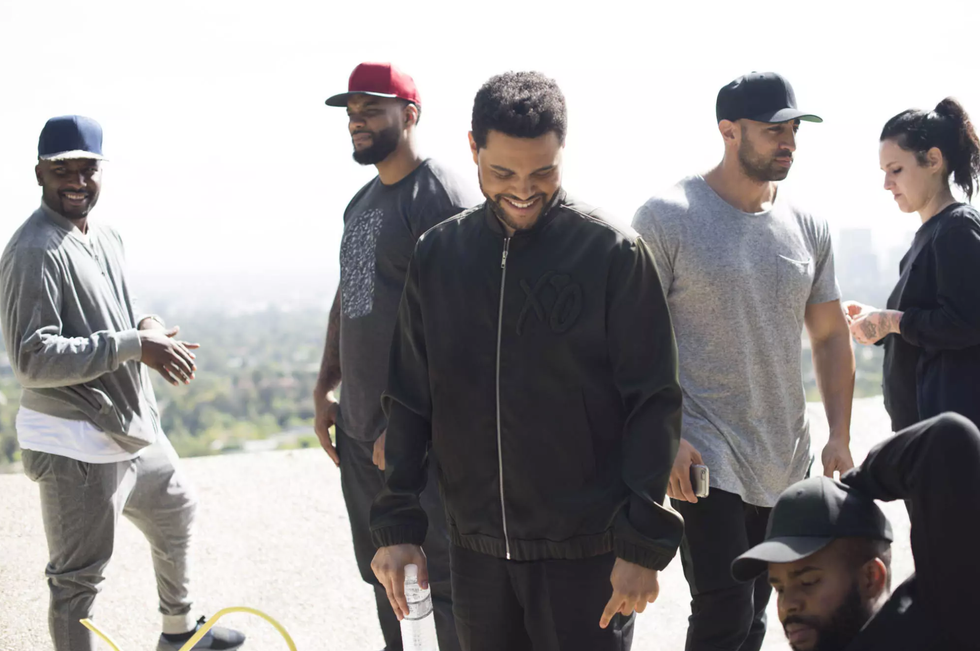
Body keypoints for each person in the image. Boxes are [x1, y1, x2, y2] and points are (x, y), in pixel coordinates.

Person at [369, 70, 683, 651]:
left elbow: (653, 404)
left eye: (543, 172)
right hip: (476, 553)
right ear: (473, 148)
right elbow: (410, 398)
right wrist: (397, 524)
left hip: (588, 555)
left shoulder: (613, 254)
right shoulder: (438, 255)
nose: (522, 190)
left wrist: (642, 544)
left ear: (563, 150)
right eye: (502, 172)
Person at [0, 116, 245, 651]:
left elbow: (123, 305)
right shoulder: (33, 251)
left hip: (129, 427)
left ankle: (179, 634)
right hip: (74, 441)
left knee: (175, 507)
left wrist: (148, 327)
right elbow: (32, 358)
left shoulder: (106, 235)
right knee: (77, 582)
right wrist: (134, 346)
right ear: (39, 173)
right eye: (62, 169)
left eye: (87, 168)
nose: (76, 181)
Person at [631, 72, 856, 651]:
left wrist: (839, 433)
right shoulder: (666, 217)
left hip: (785, 455)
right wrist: (668, 435)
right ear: (729, 131)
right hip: (706, 453)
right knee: (724, 608)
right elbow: (629, 341)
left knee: (757, 611)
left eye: (794, 129)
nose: (789, 142)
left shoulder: (807, 225)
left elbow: (830, 335)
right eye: (774, 130)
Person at [314, 62, 477, 651]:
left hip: (416, 438)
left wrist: (416, 424)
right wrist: (326, 385)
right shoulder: (360, 204)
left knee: (441, 581)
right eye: (351, 113)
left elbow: (465, 323)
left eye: (371, 110)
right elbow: (350, 295)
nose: (356, 121)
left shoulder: (441, 195)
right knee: (386, 574)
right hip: (361, 432)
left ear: (409, 115)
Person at [732, 412, 980, 650]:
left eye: (808, 581)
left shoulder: (939, 626)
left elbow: (946, 441)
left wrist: (854, 483)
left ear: (871, 578)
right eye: (779, 588)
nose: (788, 604)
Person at [844, 97, 980, 431]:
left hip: (948, 439)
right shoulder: (929, 234)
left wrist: (891, 321)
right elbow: (926, 330)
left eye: (896, 170)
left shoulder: (957, 227)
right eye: (884, 173)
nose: (886, 184)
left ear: (933, 160)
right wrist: (877, 322)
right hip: (925, 435)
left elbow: (966, 323)